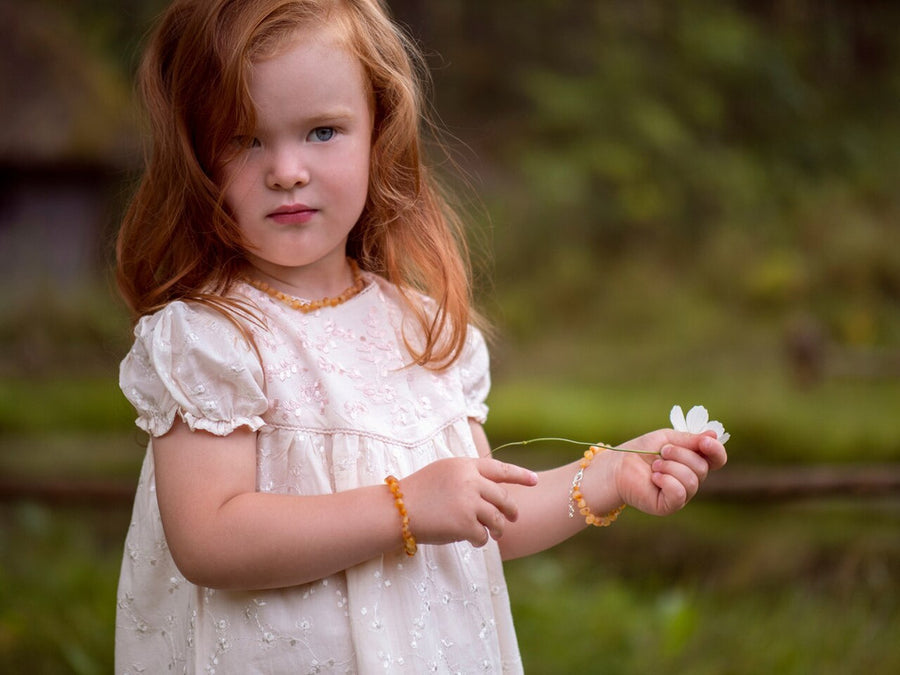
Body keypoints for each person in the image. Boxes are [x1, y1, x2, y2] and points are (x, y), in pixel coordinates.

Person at [113, 0, 728, 672]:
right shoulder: (213, 339)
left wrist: (608, 473)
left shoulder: (422, 329)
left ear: (380, 133)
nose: (286, 168)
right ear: (196, 154)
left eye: (322, 131)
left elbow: (481, 515)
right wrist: (403, 505)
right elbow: (209, 538)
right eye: (245, 138)